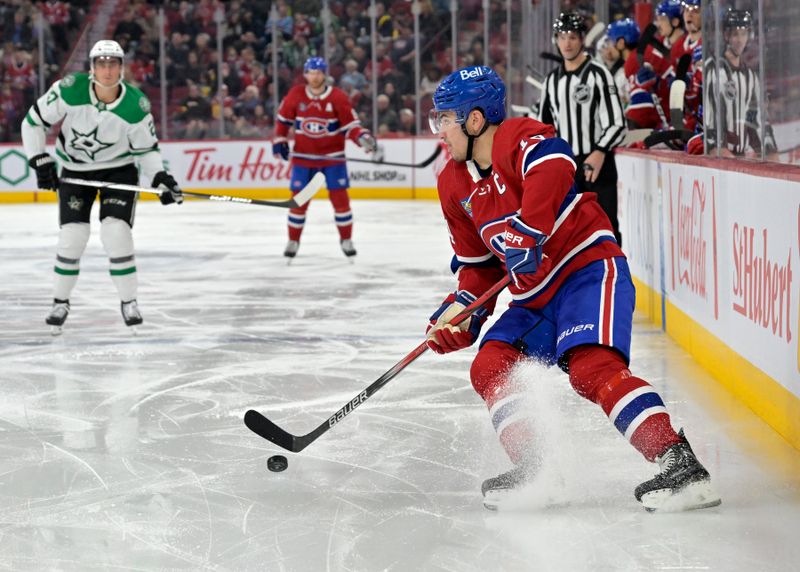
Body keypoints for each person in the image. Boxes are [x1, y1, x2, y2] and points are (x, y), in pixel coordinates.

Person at [426, 64, 720, 512]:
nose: (440, 130)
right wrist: (462, 312)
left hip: (586, 270)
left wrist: (529, 229)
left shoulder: (517, 137)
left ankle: (680, 465)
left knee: (591, 368)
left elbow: (555, 163)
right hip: (533, 296)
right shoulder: (452, 183)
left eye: (446, 118)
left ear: (475, 119)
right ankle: (537, 469)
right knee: (490, 365)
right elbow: (479, 269)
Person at [21, 40, 183, 333]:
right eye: (101, 64)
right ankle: (60, 302)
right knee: (73, 236)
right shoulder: (70, 89)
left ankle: (129, 301)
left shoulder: (136, 105)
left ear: (122, 68)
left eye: (113, 64)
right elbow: (32, 122)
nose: (107, 70)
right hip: (76, 172)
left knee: (116, 232)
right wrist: (39, 159)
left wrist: (159, 177)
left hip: (118, 172)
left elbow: (146, 151)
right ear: (92, 68)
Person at [272, 56, 378, 260]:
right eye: (311, 72)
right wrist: (279, 141)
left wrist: (362, 137)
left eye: (319, 72)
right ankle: (293, 240)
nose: (315, 76)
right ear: (305, 74)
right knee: (298, 202)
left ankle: (346, 239)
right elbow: (282, 122)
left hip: (332, 159)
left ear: (325, 74)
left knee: (340, 201)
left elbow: (351, 127)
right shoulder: (295, 94)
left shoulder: (337, 97)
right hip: (304, 159)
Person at [539, 12, 626, 245]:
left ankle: (615, 280)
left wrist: (599, 152)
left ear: (582, 39)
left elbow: (618, 123)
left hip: (600, 167)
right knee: (568, 237)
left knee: (606, 231)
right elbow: (543, 130)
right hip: (566, 170)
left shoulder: (599, 74)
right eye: (562, 37)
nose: (567, 43)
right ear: (556, 40)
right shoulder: (551, 82)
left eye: (573, 37)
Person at [705, 9, 776, 157]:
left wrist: (767, 149)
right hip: (718, 155)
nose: (740, 40)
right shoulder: (713, 69)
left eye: (744, 34)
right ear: (726, 36)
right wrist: (715, 145)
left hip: (741, 155)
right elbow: (708, 114)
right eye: (735, 34)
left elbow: (754, 116)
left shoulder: (751, 76)